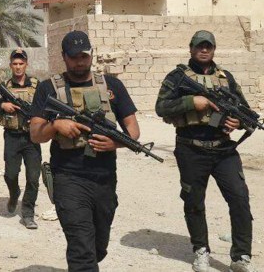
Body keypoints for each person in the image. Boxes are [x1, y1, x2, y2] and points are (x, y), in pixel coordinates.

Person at [29, 30, 139, 272]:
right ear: (64, 57)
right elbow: (35, 134)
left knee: (98, 247)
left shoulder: (113, 86)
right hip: (68, 178)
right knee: (81, 248)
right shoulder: (48, 88)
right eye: (74, 57)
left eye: (84, 56)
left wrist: (115, 143)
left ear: (91, 55)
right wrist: (56, 125)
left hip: (104, 179)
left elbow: (133, 130)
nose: (80, 61)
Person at [155, 30, 257, 272]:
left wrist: (238, 123)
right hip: (191, 149)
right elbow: (161, 107)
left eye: (208, 46)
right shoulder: (177, 77)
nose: (204, 50)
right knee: (194, 201)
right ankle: (201, 249)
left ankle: (241, 256)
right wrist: (193, 102)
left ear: (214, 49)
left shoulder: (226, 78)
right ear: (191, 48)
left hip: (224, 150)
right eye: (199, 46)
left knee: (240, 199)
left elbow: (246, 112)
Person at [0, 48, 41, 229]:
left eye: (21, 63)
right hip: (12, 136)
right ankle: (14, 193)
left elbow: (46, 106)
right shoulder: (4, 86)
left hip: (32, 137)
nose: (18, 67)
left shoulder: (36, 85)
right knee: (11, 174)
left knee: (33, 177)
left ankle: (27, 213)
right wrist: (3, 105)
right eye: (15, 64)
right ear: (11, 65)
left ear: (26, 64)